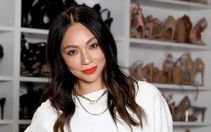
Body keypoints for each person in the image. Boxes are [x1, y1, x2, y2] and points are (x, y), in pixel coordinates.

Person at [25, 4, 173, 132]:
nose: (86, 59)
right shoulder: (49, 115)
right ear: (60, 59)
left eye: (93, 45)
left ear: (105, 44)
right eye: (72, 52)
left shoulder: (145, 97)